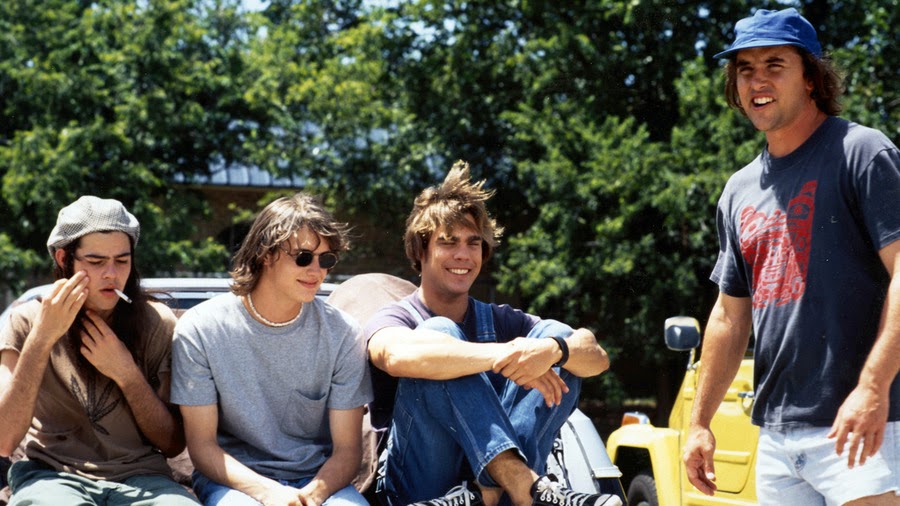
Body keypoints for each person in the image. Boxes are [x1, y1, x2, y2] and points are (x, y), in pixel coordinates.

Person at [683, 7, 900, 505]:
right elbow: (728, 315)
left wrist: (872, 387)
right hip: (780, 438)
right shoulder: (738, 190)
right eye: (744, 69)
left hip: (867, 423)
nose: (757, 80)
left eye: (774, 65)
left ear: (810, 78)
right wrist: (699, 422)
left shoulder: (862, 152)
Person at [365, 161, 621, 506]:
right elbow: (395, 356)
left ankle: (493, 488)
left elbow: (596, 357)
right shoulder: (395, 316)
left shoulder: (500, 320)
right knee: (438, 338)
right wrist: (503, 355)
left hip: (497, 497)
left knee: (556, 338)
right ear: (419, 250)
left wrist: (553, 350)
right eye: (448, 242)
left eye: (473, 243)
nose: (463, 254)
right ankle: (522, 483)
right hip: (419, 488)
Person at [171, 193, 372, 506]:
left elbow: (347, 451)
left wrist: (310, 497)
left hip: (318, 481)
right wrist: (270, 494)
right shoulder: (200, 328)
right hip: (234, 482)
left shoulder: (343, 333)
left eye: (327, 259)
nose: (317, 270)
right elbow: (201, 447)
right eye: (303, 257)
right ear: (266, 254)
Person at [0, 196, 199, 505]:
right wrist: (41, 339)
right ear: (65, 259)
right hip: (51, 475)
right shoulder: (25, 321)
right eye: (95, 262)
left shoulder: (157, 322)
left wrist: (127, 374)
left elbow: (172, 444)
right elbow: (4, 439)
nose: (111, 274)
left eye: (122, 260)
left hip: (142, 477)